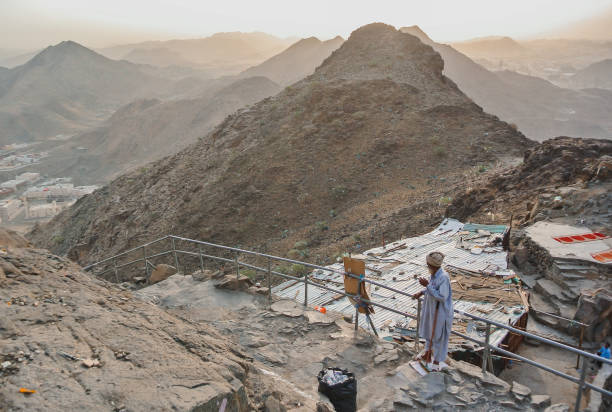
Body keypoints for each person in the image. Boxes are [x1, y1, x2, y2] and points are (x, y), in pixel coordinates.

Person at [412, 251, 453, 371]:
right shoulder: (433, 275)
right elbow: (432, 288)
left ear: (433, 266)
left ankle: (436, 362)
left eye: (428, 265)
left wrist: (427, 286)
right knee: (430, 332)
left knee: (438, 336)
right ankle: (427, 353)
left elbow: (442, 296)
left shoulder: (443, 277)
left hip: (440, 312)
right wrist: (422, 292)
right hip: (431, 309)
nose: (427, 267)